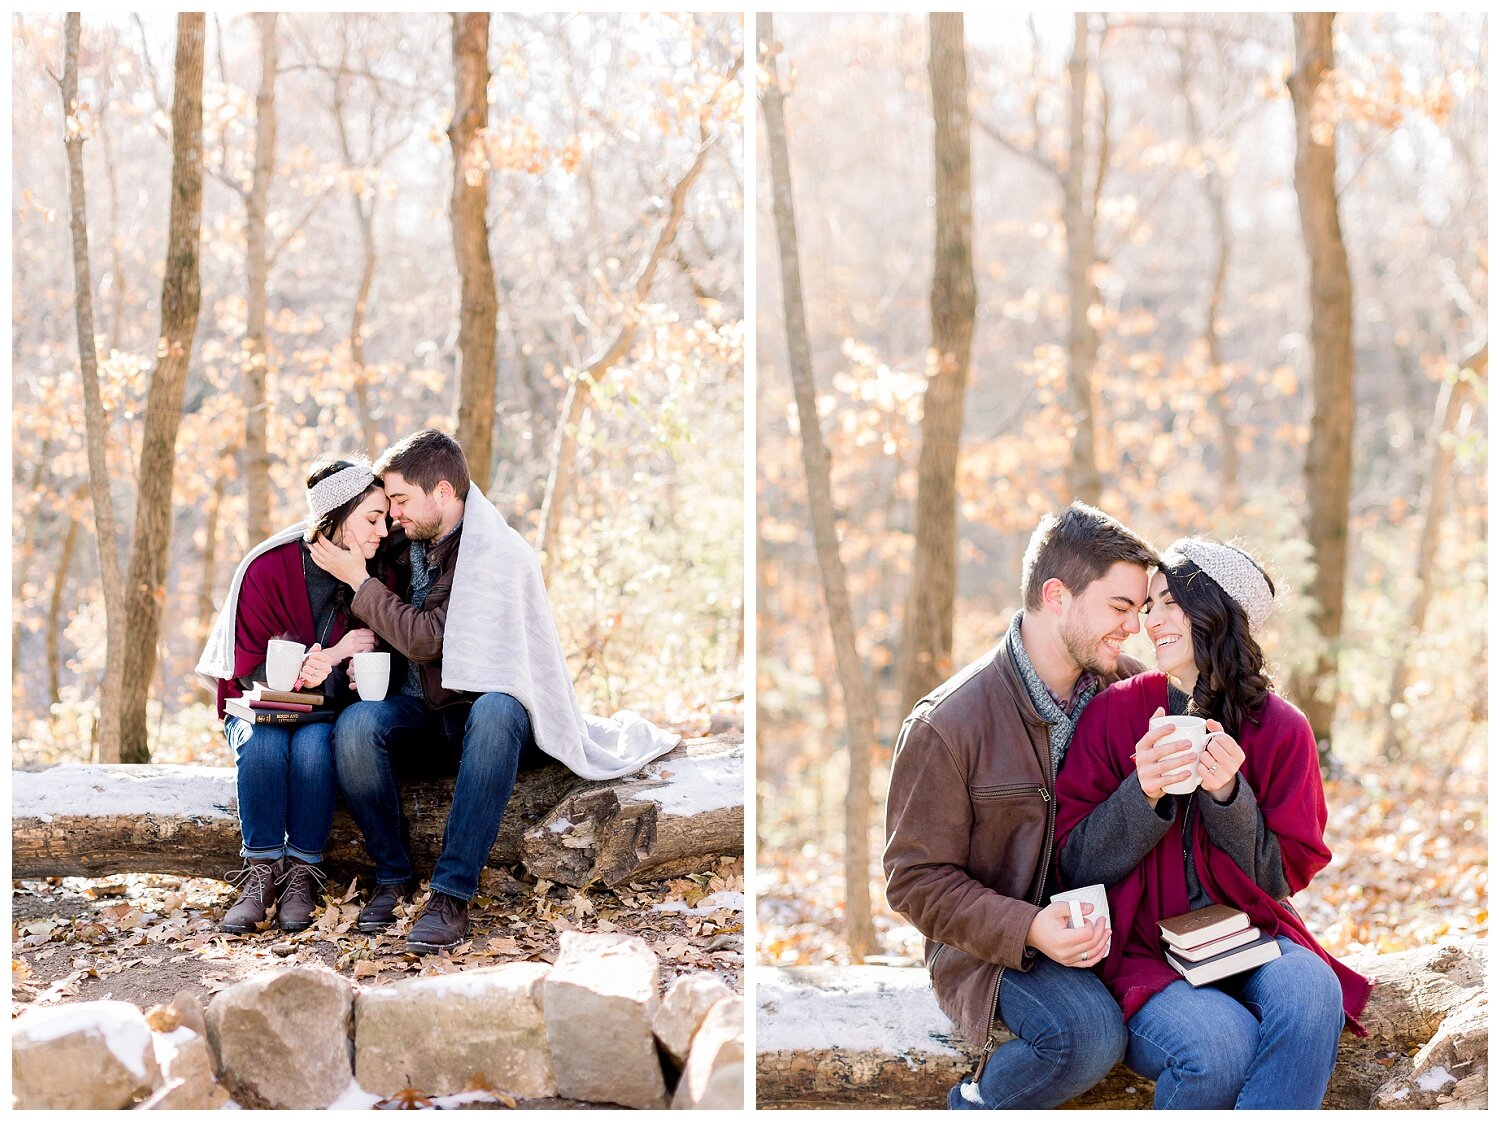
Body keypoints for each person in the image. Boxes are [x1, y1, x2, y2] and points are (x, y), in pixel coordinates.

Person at [312, 429, 680, 955]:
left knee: (497, 707)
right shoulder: (404, 539)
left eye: (399, 500)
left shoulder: (497, 553)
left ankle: (451, 894)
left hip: (495, 725)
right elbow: (345, 532)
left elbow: (427, 638)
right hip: (424, 713)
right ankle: (393, 877)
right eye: (388, 504)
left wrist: (358, 582)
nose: (392, 515)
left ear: (442, 493)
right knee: (356, 727)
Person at [1054, 539, 1372, 1109]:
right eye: (1150, 604)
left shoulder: (1281, 729)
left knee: (1312, 991)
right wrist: (1143, 792)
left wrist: (1230, 795)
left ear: (1218, 611)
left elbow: (1282, 876)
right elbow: (1075, 862)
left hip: (1247, 935)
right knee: (1221, 1044)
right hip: (1142, 950)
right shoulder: (1114, 712)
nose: (1154, 619)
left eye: (1172, 601)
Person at [884, 502, 1158, 1110]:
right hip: (994, 953)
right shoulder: (947, 723)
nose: (1133, 627)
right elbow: (914, 881)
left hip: (1122, 932)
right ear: (1056, 594)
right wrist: (1028, 927)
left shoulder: (1134, 693)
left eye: (1140, 611)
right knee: (1086, 1038)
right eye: (1119, 607)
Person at [197, 457, 388, 934]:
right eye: (371, 518)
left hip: (325, 716)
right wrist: (327, 656)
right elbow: (249, 669)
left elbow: (381, 657)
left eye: (385, 518)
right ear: (335, 516)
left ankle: (302, 873)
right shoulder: (269, 567)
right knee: (264, 747)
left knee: (310, 752)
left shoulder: (375, 574)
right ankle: (260, 873)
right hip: (258, 707)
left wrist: (346, 670)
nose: (383, 530)